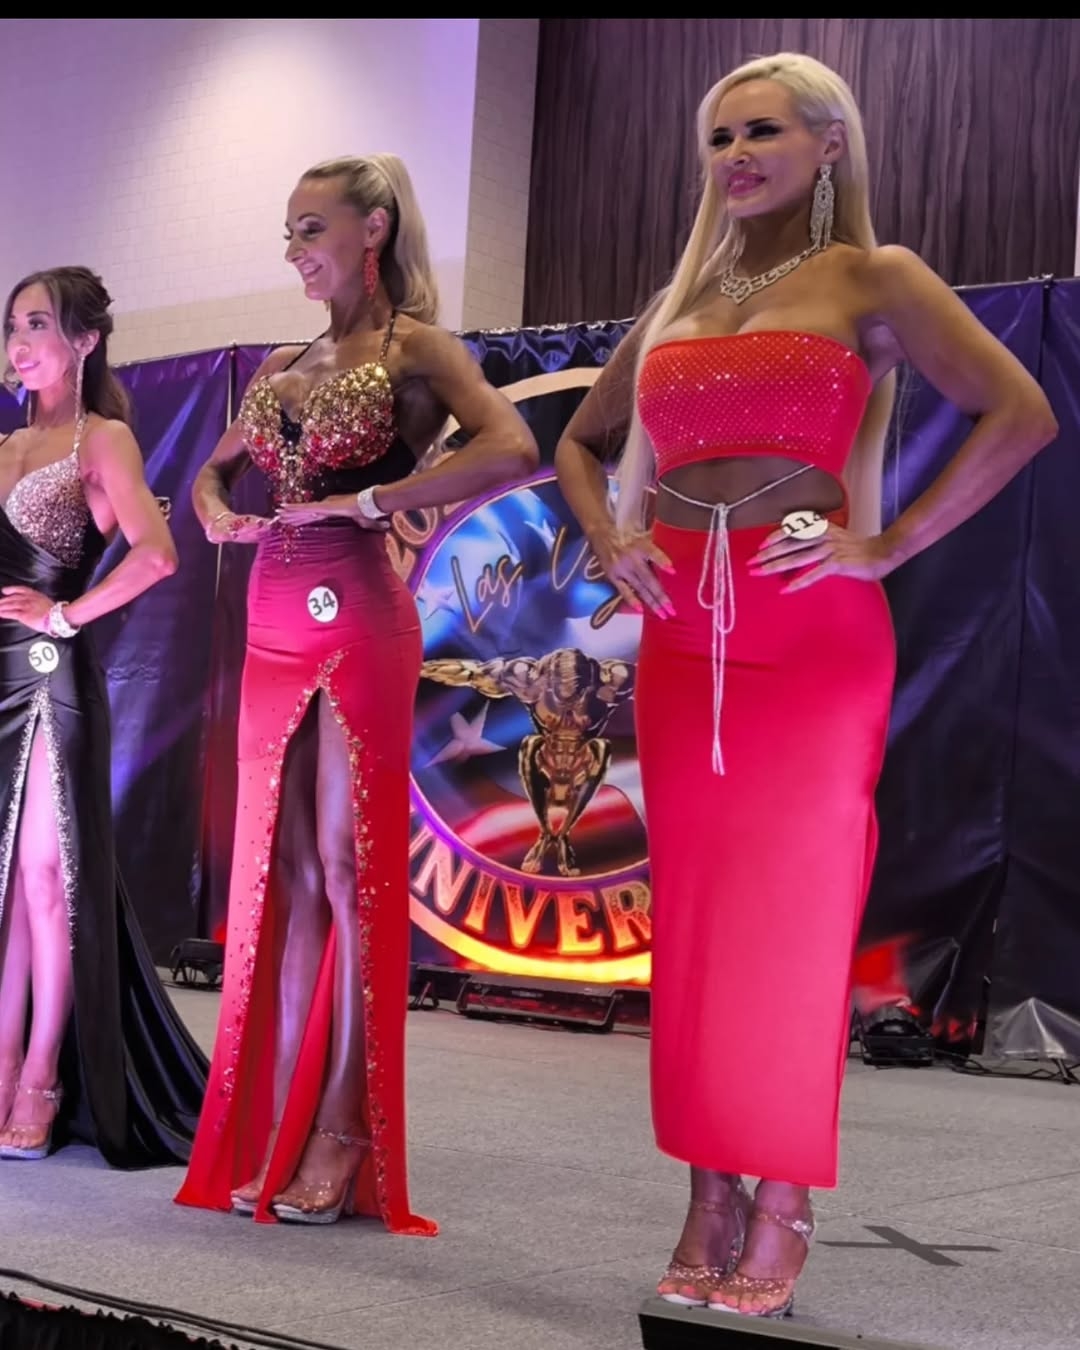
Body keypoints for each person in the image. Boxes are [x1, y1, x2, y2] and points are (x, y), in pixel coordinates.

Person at [554, 52, 1057, 1319]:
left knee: (794, 923)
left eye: (763, 131)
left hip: (812, 631)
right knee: (698, 926)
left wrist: (886, 544)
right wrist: (611, 537)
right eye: (720, 137)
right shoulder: (682, 299)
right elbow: (579, 441)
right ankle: (707, 1193)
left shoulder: (874, 279)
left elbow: (1021, 413)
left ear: (830, 144)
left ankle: (781, 1199)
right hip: (683, 634)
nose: (736, 156)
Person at [175, 153, 538, 1233]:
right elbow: (212, 471)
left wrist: (378, 501)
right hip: (272, 618)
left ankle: (343, 1125)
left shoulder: (414, 347)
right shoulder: (282, 362)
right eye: (288, 231)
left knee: (344, 862)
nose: (294, 249)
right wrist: (212, 508)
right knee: (282, 871)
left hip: (358, 616)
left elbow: (513, 444)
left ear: (372, 230)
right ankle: (284, 1114)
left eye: (311, 228)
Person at [0, 265, 208, 1167]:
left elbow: (156, 554)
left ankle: (43, 1076)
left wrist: (66, 614)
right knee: (7, 887)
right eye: (12, 326)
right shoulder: (7, 442)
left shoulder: (104, 437)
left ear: (84, 340)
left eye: (37, 325)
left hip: (52, 680)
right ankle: (3, 1060)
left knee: (47, 880)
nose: (19, 344)